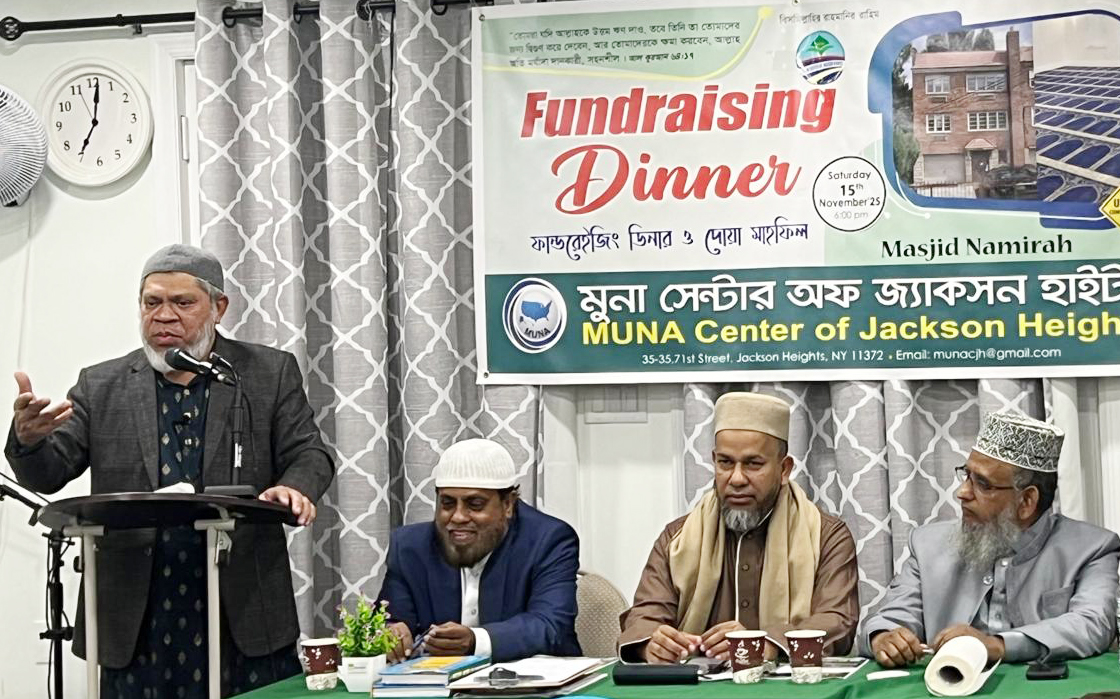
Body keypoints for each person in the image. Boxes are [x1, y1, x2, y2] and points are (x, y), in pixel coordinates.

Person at [6, 244, 332, 698]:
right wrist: (28, 440)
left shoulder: (266, 373)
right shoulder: (101, 384)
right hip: (135, 614)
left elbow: (310, 452)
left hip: (241, 606)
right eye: (152, 302)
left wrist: (293, 487)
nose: (163, 316)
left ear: (219, 307)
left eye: (182, 303)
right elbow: (48, 473)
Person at [862, 412, 1120, 668]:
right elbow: (891, 618)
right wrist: (884, 637)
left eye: (983, 484)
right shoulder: (926, 544)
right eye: (966, 476)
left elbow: (1092, 624)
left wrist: (996, 645)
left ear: (1027, 501)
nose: (962, 492)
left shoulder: (1092, 549)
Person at [618, 392, 860, 663]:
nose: (736, 479)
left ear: (784, 469)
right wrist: (653, 644)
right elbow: (644, 617)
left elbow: (837, 622)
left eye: (753, 464)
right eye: (725, 462)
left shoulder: (827, 537)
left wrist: (765, 645)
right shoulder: (676, 539)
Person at [378, 438, 580, 661]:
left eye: (475, 504)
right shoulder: (409, 547)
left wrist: (476, 641)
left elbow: (551, 626)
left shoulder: (548, 540)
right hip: (437, 679)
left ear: (508, 504)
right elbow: (392, 619)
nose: (458, 517)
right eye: (447, 503)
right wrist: (391, 633)